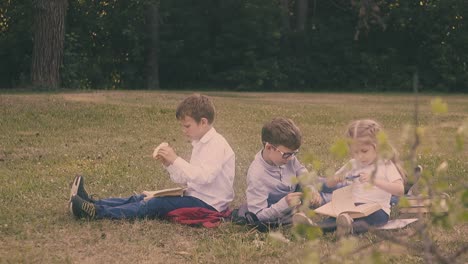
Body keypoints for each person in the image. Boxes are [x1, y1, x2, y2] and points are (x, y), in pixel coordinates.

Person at [69, 94, 235, 220]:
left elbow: (204, 177)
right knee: (144, 197)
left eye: (187, 126)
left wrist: (176, 159)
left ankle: (96, 212)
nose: (184, 130)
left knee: (154, 204)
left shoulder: (217, 145)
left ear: (203, 122)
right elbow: (187, 179)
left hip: (210, 204)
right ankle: (91, 203)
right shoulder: (200, 142)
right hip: (194, 195)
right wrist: (169, 164)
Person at [293, 119, 406, 236]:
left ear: (377, 146)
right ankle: (313, 228)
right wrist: (337, 178)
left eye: (364, 151)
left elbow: (399, 190)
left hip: (378, 210)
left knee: (367, 220)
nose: (360, 156)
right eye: (355, 152)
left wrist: (374, 181)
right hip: (352, 208)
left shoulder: (386, 164)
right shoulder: (353, 164)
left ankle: (349, 229)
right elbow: (329, 183)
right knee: (335, 219)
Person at [238, 117, 322, 226]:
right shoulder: (257, 176)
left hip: (297, 194)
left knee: (324, 184)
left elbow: (301, 172)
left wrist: (310, 189)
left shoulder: (287, 157)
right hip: (280, 209)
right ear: (269, 148)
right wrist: (283, 204)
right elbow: (258, 215)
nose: (291, 158)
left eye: (294, 153)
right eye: (287, 154)